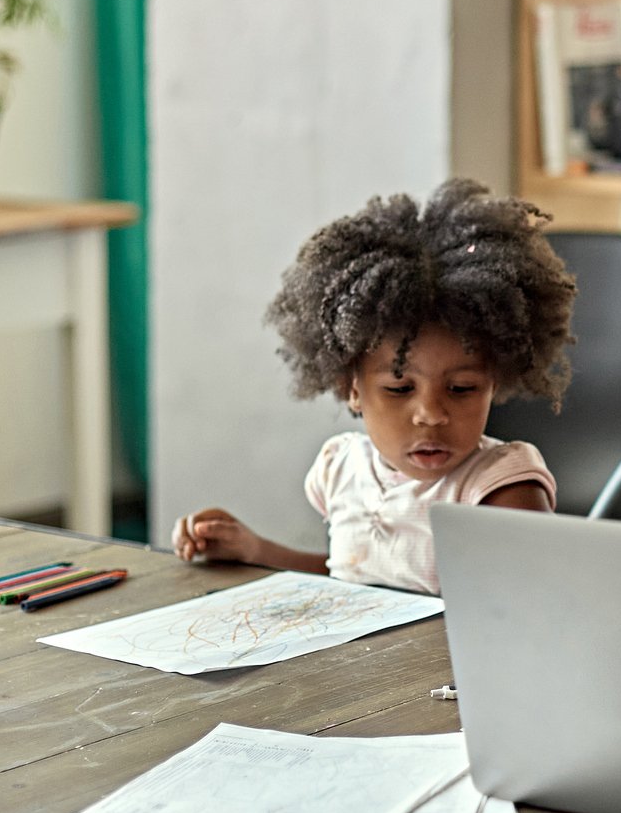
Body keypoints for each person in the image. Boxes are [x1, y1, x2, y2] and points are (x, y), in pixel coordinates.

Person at [172, 179, 576, 593]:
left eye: (461, 389)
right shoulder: (341, 468)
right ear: (351, 388)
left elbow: (536, 609)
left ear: (494, 381)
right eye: (400, 388)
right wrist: (255, 550)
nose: (431, 413)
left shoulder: (501, 488)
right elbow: (347, 583)